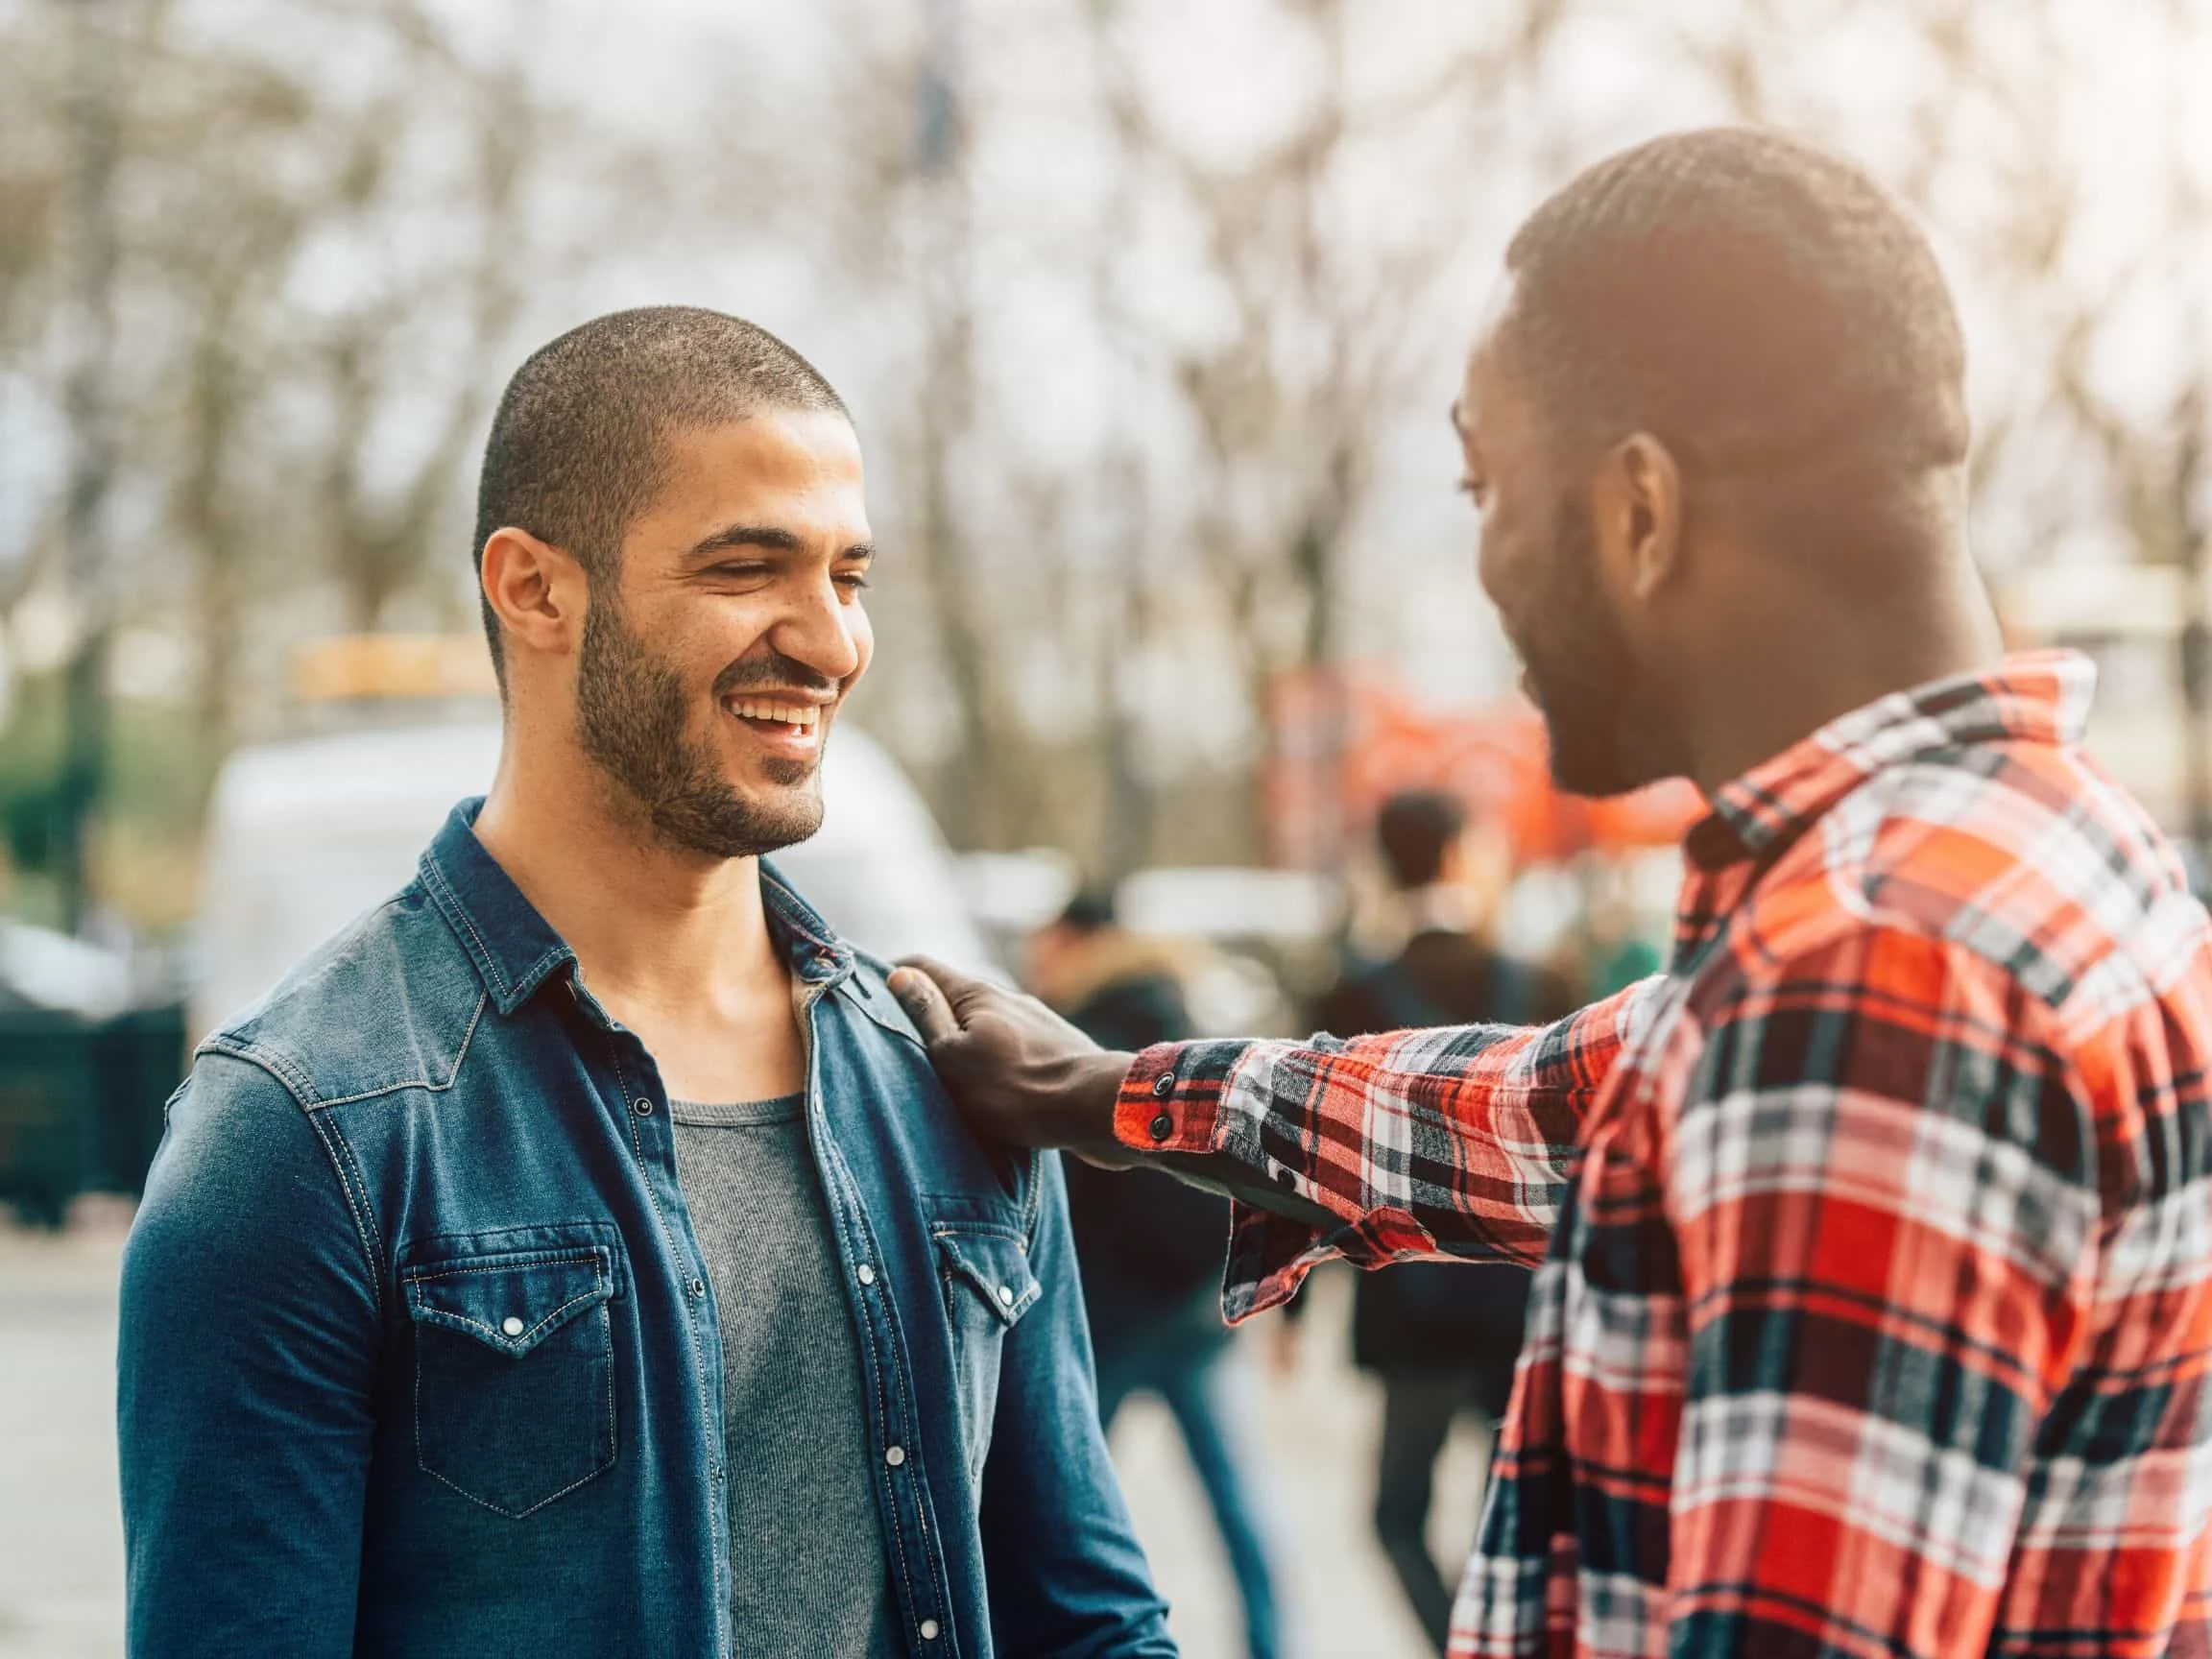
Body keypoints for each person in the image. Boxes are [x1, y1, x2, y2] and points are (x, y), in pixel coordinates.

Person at [889, 128, 2212, 1659]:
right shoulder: (2048, 859)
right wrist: (1100, 1090)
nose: (1488, 568)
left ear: (1638, 513)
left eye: (1483, 488)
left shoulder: (1872, 974)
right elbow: (1534, 1109)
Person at [117, 307, 1176, 1659]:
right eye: (749, 568)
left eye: (850, 577)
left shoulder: (953, 1079)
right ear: (534, 588)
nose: (832, 640)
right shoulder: (306, 1131)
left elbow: (1088, 1625)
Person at [1309, 791, 1573, 1654]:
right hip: (1528, 1308)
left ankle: (1456, 1640)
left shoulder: (1349, 994)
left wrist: (1297, 1304)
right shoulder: (1550, 985)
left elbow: (1311, 1164)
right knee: (1531, 1517)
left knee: (1395, 1516)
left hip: (1409, 1306)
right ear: (1463, 854)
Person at [1033, 894, 1288, 1659]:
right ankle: (1275, 1643)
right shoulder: (1187, 1015)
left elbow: (1075, 1190)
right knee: (1236, 1504)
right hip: (1196, 1306)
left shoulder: (1081, 1033)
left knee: (1064, 1508)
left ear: (1079, 941)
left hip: (1113, 1313)